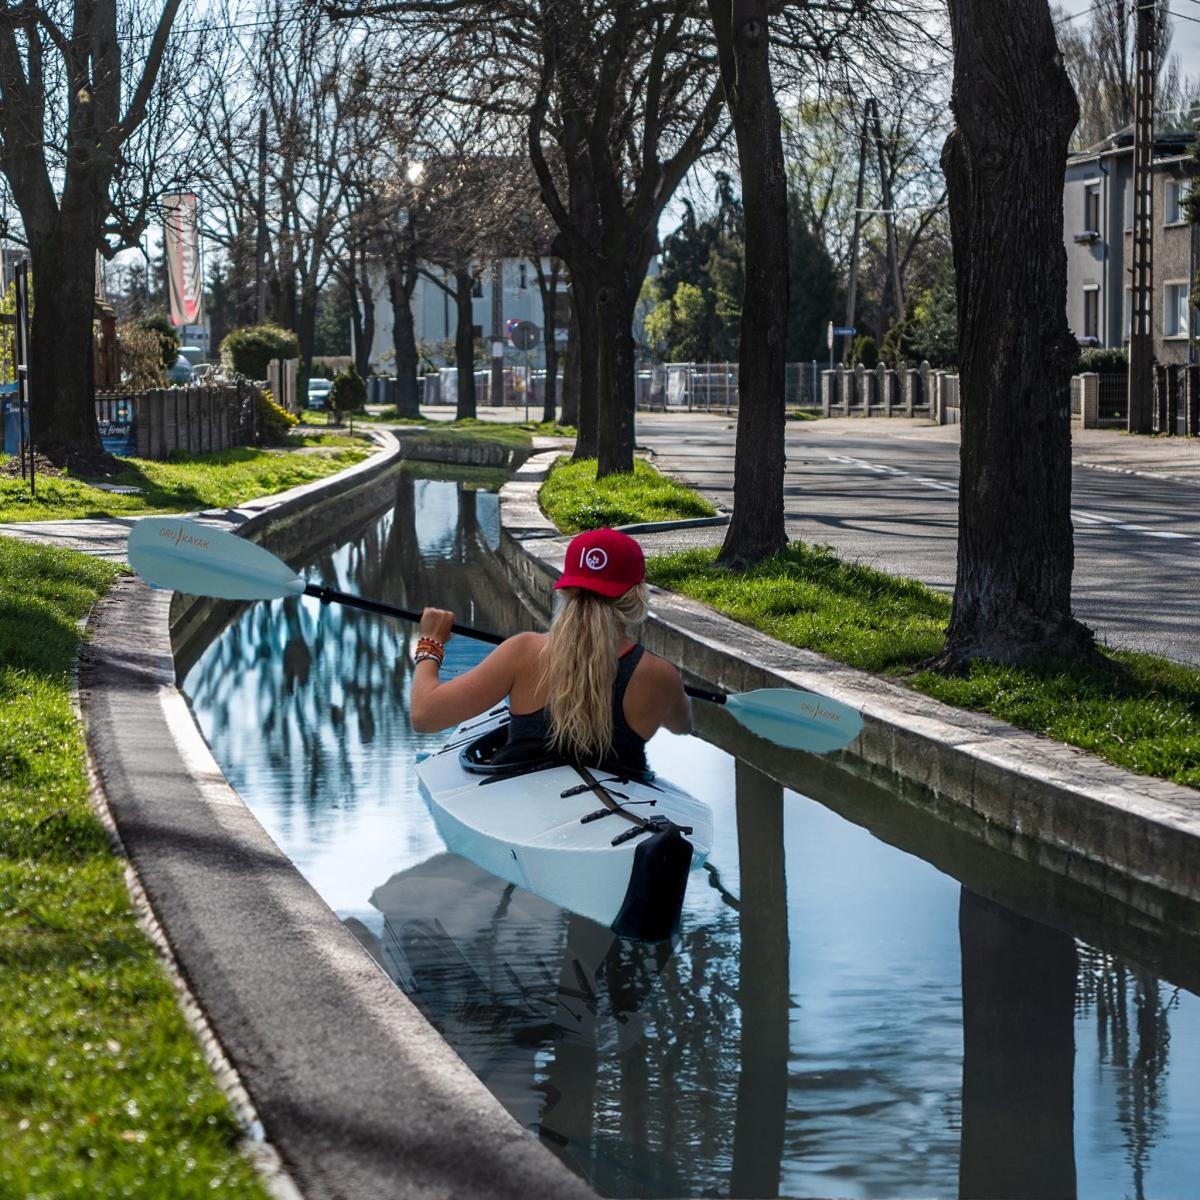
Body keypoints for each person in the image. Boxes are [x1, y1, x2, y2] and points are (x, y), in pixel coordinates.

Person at [409, 527, 692, 774]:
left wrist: (430, 643)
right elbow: (682, 726)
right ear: (637, 597)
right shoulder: (660, 674)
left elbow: (425, 715)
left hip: (522, 799)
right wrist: (671, 695)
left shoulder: (524, 652)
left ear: (565, 591)